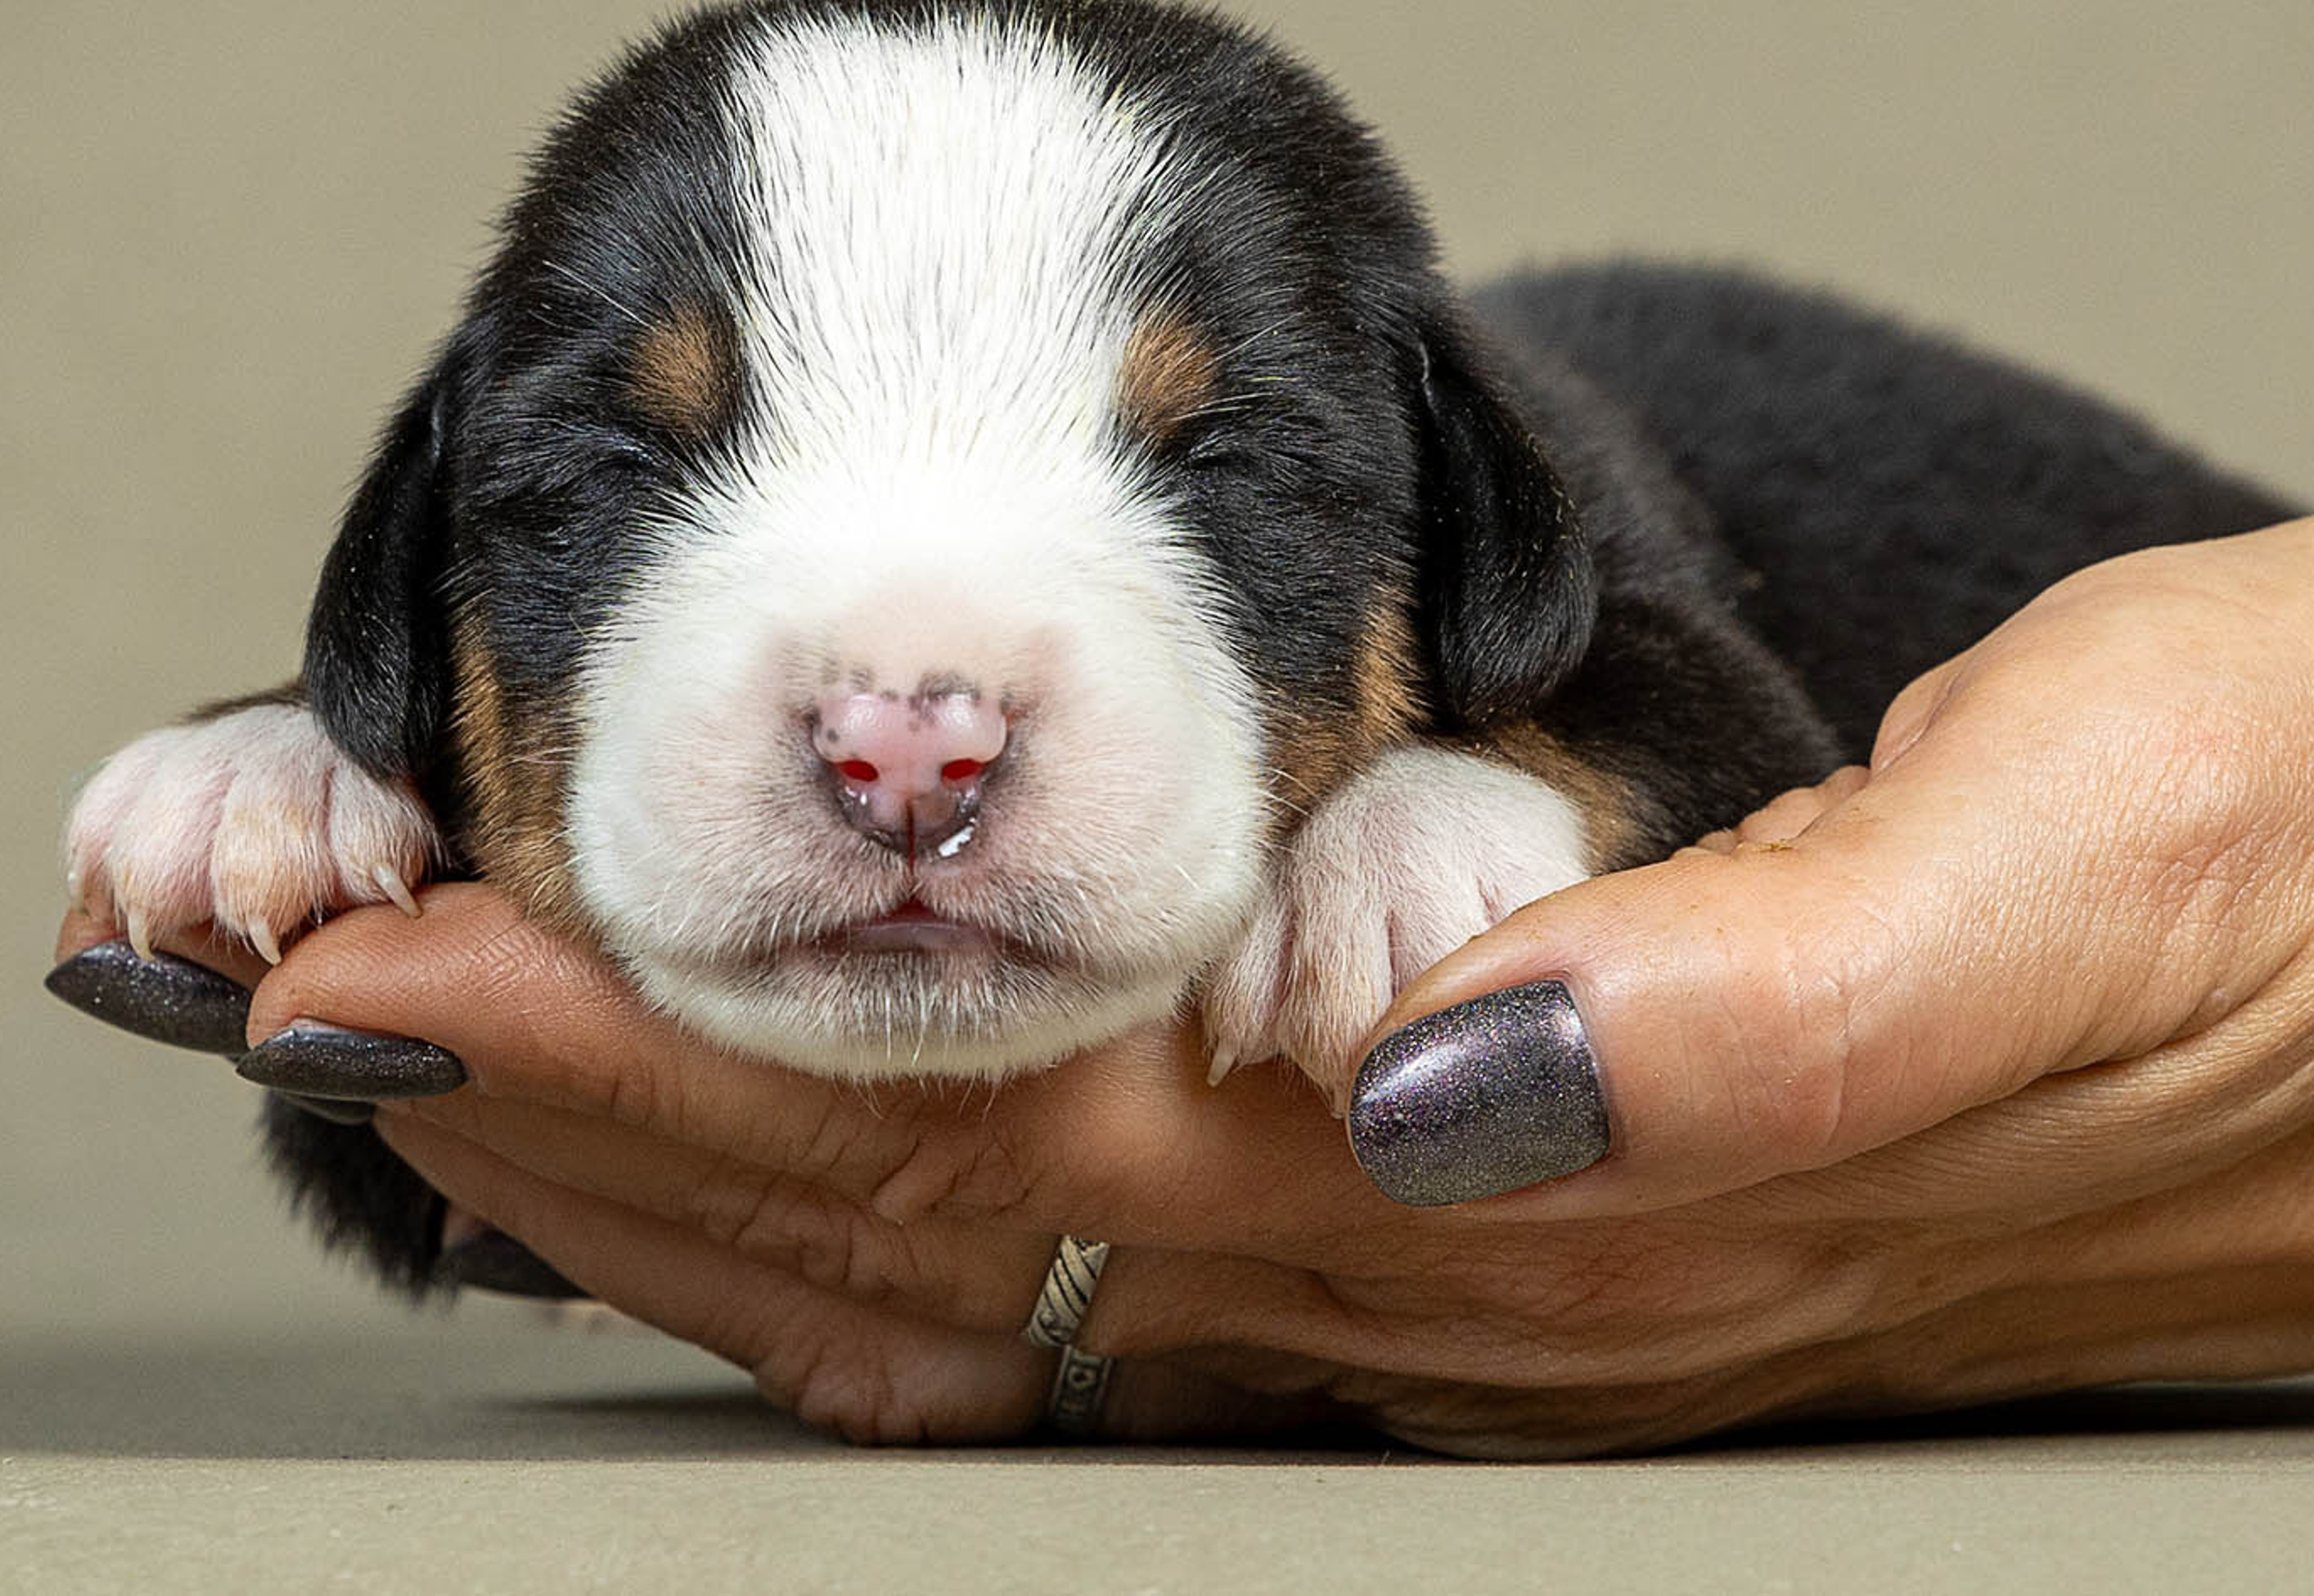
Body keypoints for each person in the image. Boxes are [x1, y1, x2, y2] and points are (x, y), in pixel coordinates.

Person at [49, 521, 2314, 1456]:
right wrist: (355, 771)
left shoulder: (1537, 558)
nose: (909, 741)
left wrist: (1486, 787)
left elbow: (1684, 708)